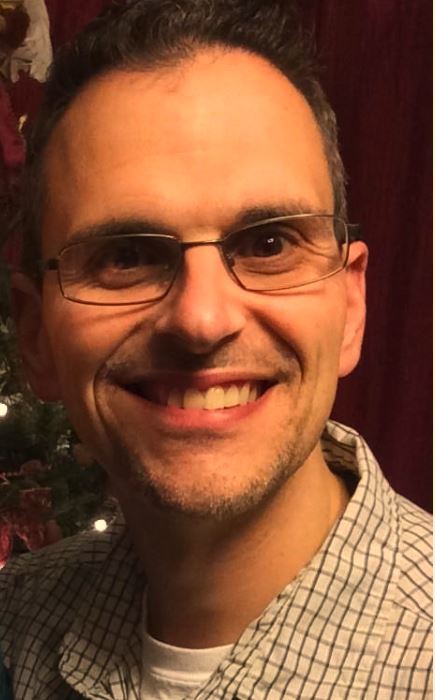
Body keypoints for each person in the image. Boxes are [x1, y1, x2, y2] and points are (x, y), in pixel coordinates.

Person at [0, 0, 432, 698]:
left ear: (350, 308)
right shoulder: (15, 617)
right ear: (35, 335)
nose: (202, 320)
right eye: (126, 257)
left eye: (269, 244)